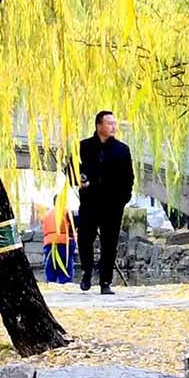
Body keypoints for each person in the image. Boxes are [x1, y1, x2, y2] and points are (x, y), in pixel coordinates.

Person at [78, 110, 134, 294]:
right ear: (99, 125)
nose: (113, 127)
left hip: (113, 204)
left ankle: (105, 282)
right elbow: (70, 169)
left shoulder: (122, 150)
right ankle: (86, 271)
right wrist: (79, 180)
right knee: (85, 239)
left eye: (114, 123)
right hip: (89, 202)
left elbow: (129, 177)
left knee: (109, 244)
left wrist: (124, 198)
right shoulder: (83, 147)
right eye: (109, 123)